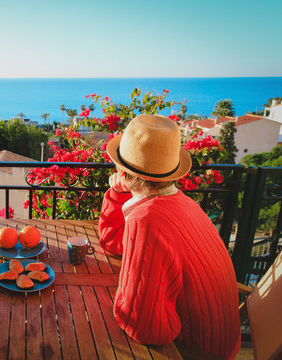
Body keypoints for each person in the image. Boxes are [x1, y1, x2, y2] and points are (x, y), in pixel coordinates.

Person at [98, 114, 240, 359]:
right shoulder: (182, 203)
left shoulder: (146, 220)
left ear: (122, 172)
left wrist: (127, 293)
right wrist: (117, 192)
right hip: (223, 344)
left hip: (194, 351)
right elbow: (113, 243)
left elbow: (144, 327)